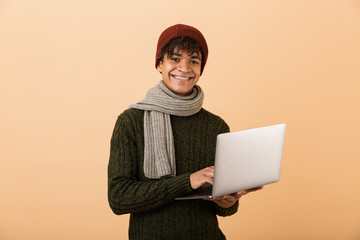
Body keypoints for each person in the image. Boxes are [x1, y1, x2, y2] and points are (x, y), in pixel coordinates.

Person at [108, 23, 262, 240]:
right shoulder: (131, 121)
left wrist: (229, 202)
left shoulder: (216, 126)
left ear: (201, 69)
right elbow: (119, 198)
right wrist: (188, 181)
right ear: (160, 64)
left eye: (194, 61)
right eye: (175, 58)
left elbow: (224, 209)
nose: (185, 68)